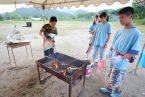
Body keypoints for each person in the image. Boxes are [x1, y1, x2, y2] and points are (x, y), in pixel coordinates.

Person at [100, 7, 141, 97]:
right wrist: (109, 52)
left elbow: (134, 52)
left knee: (118, 77)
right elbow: (114, 43)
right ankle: (109, 88)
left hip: (121, 59)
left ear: (130, 17)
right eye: (119, 17)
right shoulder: (120, 30)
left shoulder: (136, 33)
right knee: (112, 74)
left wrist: (120, 58)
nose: (120, 20)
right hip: (114, 56)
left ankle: (118, 91)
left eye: (122, 17)